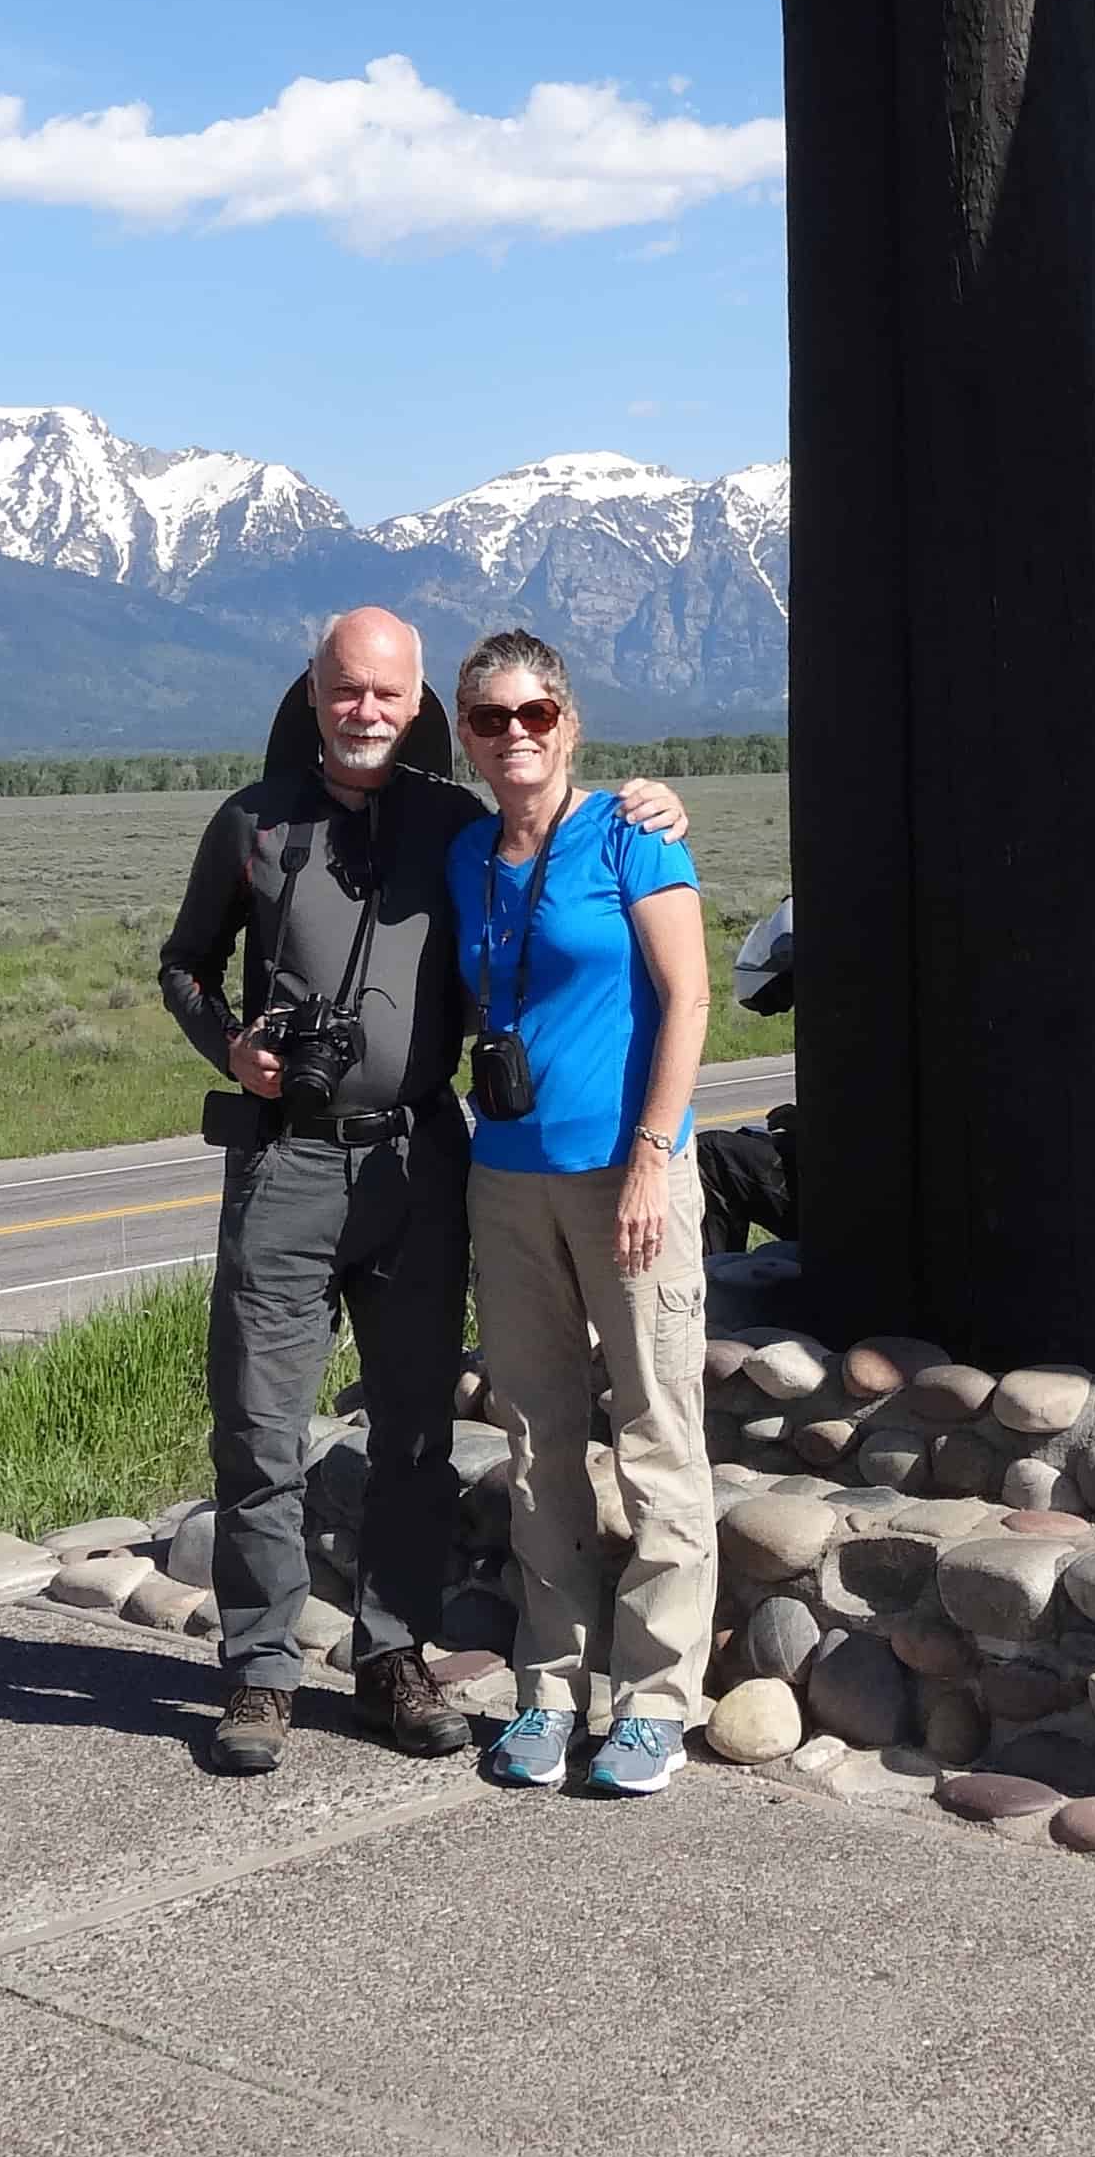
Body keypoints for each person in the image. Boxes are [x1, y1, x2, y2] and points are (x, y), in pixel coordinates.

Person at [153, 611, 687, 1777]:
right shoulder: (251, 823)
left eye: (389, 696)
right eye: (348, 691)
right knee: (258, 1425)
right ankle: (257, 1675)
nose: (367, 713)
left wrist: (654, 800)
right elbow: (183, 965)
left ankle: (394, 1658)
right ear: (314, 691)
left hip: (423, 1160)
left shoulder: (453, 821)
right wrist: (228, 1047)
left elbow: (554, 820)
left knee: (413, 1429)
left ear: (417, 709)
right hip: (288, 1159)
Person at [444, 628, 717, 1800]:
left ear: (570, 721)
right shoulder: (463, 856)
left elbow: (691, 996)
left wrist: (654, 1156)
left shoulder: (631, 833)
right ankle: (549, 1687)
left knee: (656, 1429)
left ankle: (654, 1702)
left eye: (534, 714)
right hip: (506, 1180)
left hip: (628, 1173)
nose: (515, 735)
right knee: (536, 1437)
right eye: (490, 718)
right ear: (463, 735)